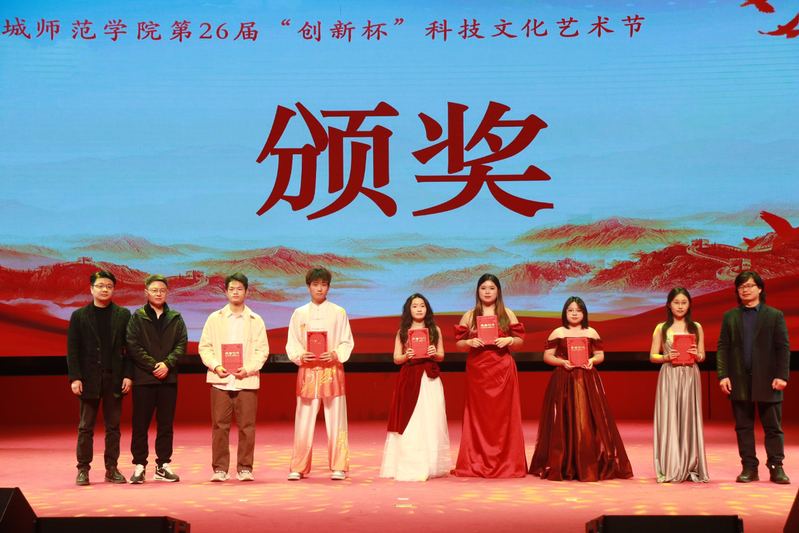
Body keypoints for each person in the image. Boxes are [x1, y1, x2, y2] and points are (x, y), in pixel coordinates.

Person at [530, 296, 633, 481]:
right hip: (564, 379)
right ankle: (564, 463)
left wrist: (592, 360)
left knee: (585, 420)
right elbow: (547, 356)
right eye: (570, 310)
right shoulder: (558, 332)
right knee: (564, 419)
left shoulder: (591, 332)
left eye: (578, 310)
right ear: (565, 313)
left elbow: (600, 355)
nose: (574, 313)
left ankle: (587, 462)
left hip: (586, 380)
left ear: (584, 313)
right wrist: (562, 362)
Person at [717, 271, 790, 484]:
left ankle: (776, 467)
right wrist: (723, 375)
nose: (745, 290)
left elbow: (783, 348)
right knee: (743, 427)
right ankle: (749, 467)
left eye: (749, 285)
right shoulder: (730, 316)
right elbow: (723, 347)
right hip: (739, 379)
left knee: (773, 427)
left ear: (760, 288)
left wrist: (782, 376)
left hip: (769, 380)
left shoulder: (774, 315)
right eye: (741, 287)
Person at [452, 274, 526, 478]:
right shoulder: (469, 315)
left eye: (491, 288)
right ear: (477, 291)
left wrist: (510, 340)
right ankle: (476, 460)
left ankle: (507, 462)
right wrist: (469, 343)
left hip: (502, 370)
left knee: (504, 417)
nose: (487, 291)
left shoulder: (507, 313)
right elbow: (459, 345)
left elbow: (520, 342)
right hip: (478, 372)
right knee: (478, 417)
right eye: (483, 287)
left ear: (498, 291)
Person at [198, 273, 270, 482]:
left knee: (247, 426)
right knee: (219, 426)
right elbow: (205, 347)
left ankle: (245, 468)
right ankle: (220, 468)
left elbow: (262, 351)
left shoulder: (256, 320)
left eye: (239, 289)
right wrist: (216, 365)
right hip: (220, 380)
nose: (235, 292)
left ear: (246, 292)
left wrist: (248, 369)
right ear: (226, 292)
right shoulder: (215, 318)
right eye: (231, 289)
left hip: (246, 380)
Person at [286, 267, 354, 481]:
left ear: (328, 287)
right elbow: (292, 342)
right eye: (315, 284)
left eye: (323, 285)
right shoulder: (299, 313)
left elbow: (346, 341)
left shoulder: (339, 312)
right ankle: (298, 466)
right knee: (303, 421)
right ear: (308, 287)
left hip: (332, 372)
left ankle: (339, 466)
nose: (319, 288)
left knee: (337, 421)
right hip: (308, 373)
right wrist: (300, 355)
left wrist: (335, 354)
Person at [66, 270, 132, 486]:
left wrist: (128, 375)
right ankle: (83, 469)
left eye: (109, 286)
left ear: (113, 289)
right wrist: (75, 378)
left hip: (114, 378)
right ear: (91, 289)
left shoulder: (123, 315)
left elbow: (129, 349)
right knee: (86, 427)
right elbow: (73, 350)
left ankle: (111, 468)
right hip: (89, 379)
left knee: (113, 427)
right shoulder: (79, 316)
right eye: (100, 286)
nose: (105, 289)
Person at [380, 293, 452, 481]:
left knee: (431, 418)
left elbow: (442, 355)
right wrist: (406, 356)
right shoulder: (403, 332)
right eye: (415, 306)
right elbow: (396, 358)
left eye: (422, 305)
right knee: (411, 420)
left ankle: (431, 464)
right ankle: (410, 464)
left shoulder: (435, 330)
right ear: (408, 309)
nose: (419, 309)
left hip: (430, 379)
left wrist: (434, 353)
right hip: (410, 378)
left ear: (427, 308)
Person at [126, 274, 188, 484]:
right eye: (154, 290)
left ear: (167, 292)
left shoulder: (176, 317)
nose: (158, 294)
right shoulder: (137, 317)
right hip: (144, 379)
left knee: (166, 425)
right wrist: (154, 365)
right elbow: (132, 345)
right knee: (140, 424)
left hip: (168, 379)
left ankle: (163, 465)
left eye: (162, 290)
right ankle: (139, 465)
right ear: (146, 293)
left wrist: (167, 364)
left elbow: (181, 344)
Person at [649, 287, 709, 483]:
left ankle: (690, 463)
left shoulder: (696, 327)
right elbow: (653, 355)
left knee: (689, 417)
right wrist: (666, 357)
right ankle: (671, 465)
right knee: (670, 418)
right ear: (669, 305)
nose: (680, 306)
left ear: (689, 304)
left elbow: (702, 356)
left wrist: (696, 354)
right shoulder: (661, 328)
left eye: (684, 302)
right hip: (669, 374)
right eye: (676, 302)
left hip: (690, 375)